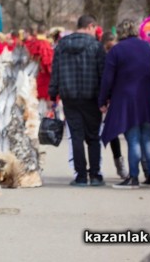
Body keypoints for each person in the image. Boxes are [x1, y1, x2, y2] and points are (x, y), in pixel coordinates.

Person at [99, 19, 150, 189]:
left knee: (133, 139)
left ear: (120, 32)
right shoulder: (149, 47)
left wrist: (102, 100)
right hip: (147, 97)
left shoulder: (116, 50)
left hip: (126, 99)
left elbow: (107, 79)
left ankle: (133, 178)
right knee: (148, 138)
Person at [49, 15, 106, 187]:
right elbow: (102, 73)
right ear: (90, 26)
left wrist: (53, 93)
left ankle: (81, 176)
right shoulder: (96, 47)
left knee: (76, 136)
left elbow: (55, 71)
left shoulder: (62, 46)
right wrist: (105, 97)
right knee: (93, 137)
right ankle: (95, 175)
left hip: (69, 97)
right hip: (92, 96)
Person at [99, 31, 128, 179]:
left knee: (127, 133)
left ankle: (127, 165)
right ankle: (119, 164)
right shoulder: (102, 58)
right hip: (109, 98)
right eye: (108, 47)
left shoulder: (122, 56)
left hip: (120, 96)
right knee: (113, 133)